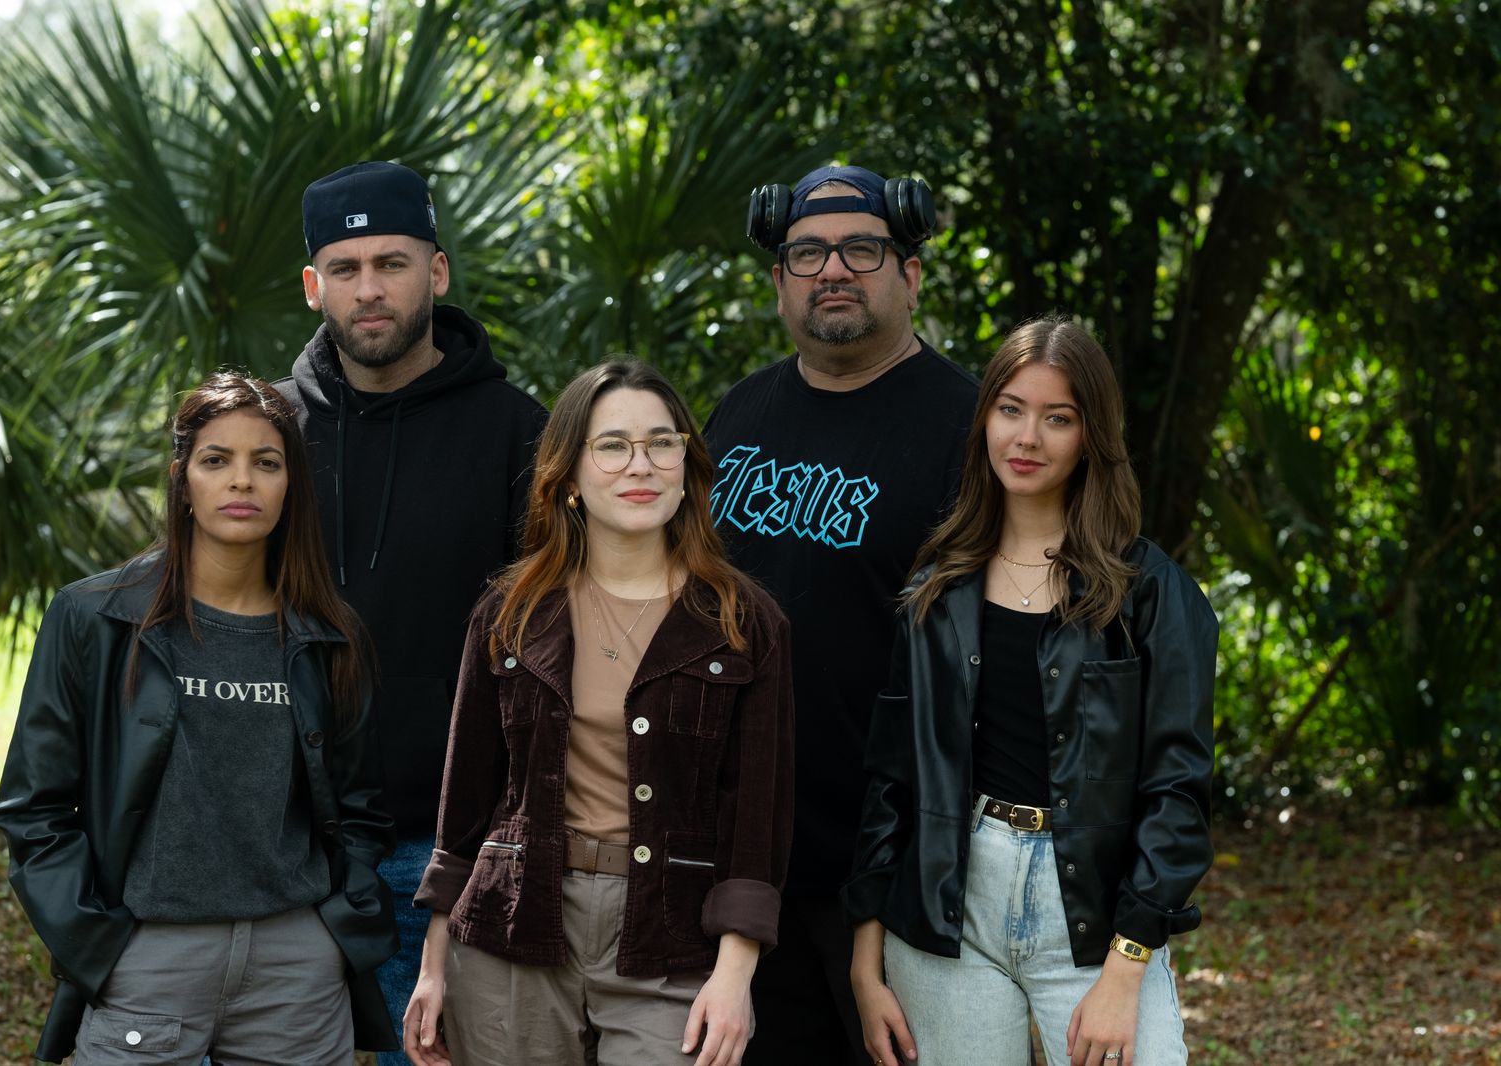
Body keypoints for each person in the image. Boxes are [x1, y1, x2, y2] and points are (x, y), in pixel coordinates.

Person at [844, 317, 1218, 1066]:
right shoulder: (936, 590)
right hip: (949, 910)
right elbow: (892, 780)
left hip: (1093, 914)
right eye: (1010, 409)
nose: (1027, 437)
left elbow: (1176, 791)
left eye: (1058, 418)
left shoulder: (1149, 592)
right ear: (984, 417)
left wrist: (1126, 969)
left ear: (1091, 436)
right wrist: (864, 955)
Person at [0, 372, 399, 1064]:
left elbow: (359, 806)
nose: (242, 480)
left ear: (290, 486)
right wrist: (98, 943)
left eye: (266, 462)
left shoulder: (331, 635)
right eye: (217, 460)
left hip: (296, 973)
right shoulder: (94, 618)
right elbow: (34, 807)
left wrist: (331, 937)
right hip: (147, 959)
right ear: (182, 480)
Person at [401, 360, 795, 1066]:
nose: (640, 465)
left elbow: (756, 820)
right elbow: (465, 805)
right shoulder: (510, 613)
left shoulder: (743, 622)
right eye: (612, 446)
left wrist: (735, 975)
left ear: (687, 468)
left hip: (670, 934)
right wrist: (433, 966)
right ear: (569, 478)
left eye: (661, 443)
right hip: (514, 923)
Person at [705, 163, 980, 1064]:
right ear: (778, 279)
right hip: (745, 864)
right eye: (807, 253)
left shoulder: (971, 427)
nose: (831, 269)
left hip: (898, 872)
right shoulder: (738, 414)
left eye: (861, 249)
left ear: (911, 273)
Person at [276, 159, 547, 1061]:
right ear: (314, 286)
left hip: (447, 851)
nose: (369, 289)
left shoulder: (518, 433)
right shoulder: (270, 435)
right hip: (285, 845)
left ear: (435, 271)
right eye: (345, 269)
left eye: (391, 263)